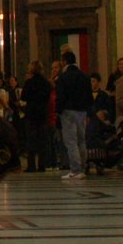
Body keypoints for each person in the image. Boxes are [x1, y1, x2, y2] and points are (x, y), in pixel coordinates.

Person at [54, 51, 90, 182]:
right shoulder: (84, 76)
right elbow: (89, 96)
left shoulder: (64, 77)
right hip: (82, 111)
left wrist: (58, 110)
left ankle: (75, 170)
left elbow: (61, 96)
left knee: (71, 141)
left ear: (64, 62)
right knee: (81, 140)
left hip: (68, 111)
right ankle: (83, 167)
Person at [20, 59, 52, 173]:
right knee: (42, 140)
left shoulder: (30, 82)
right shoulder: (46, 83)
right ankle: (42, 165)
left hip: (31, 114)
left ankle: (31, 165)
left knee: (31, 140)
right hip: (42, 113)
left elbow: (23, 97)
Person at [87, 72, 114, 174]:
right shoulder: (86, 95)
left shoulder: (103, 95)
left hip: (101, 121)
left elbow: (108, 109)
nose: (91, 83)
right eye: (90, 81)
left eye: (93, 81)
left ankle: (99, 161)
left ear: (98, 82)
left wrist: (103, 113)